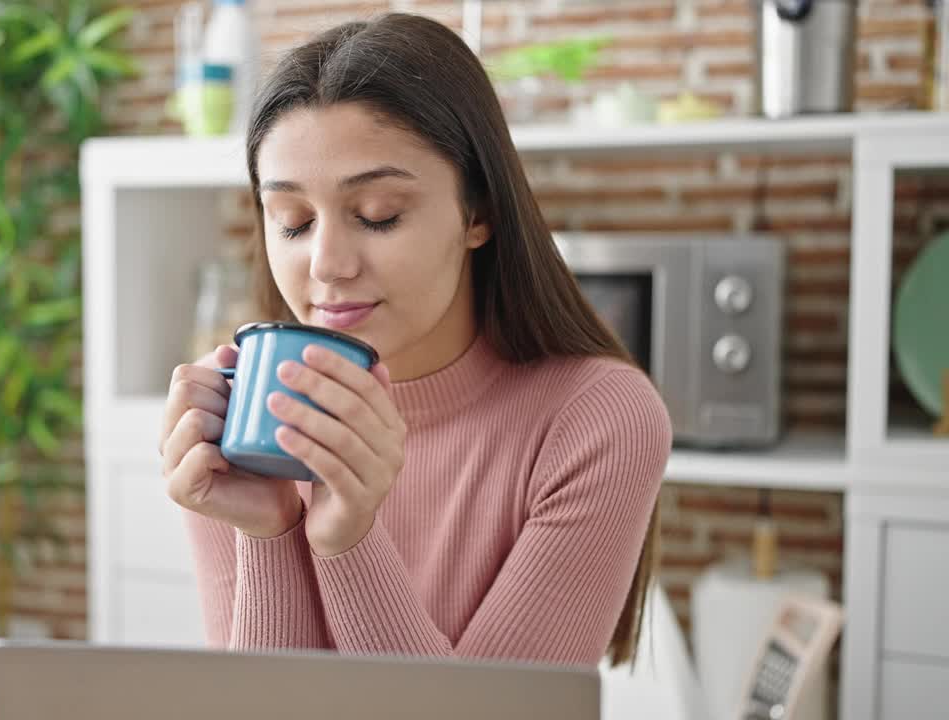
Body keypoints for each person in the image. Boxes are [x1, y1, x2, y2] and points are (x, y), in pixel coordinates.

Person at [158, 12, 670, 668]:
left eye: (378, 216)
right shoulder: (234, 412)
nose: (326, 265)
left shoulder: (597, 421)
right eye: (292, 222)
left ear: (477, 212)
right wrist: (268, 528)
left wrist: (351, 541)